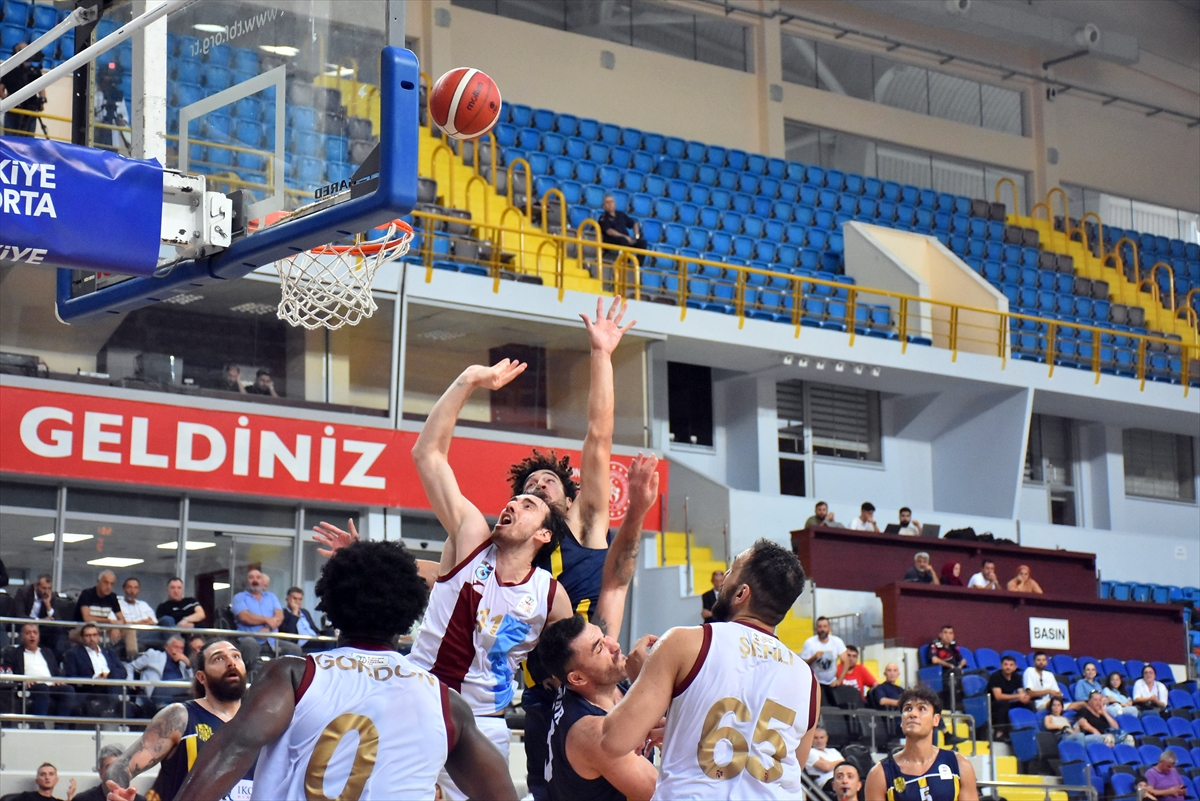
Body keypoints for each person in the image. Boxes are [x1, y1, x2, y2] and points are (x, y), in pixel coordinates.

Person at [166, 538, 519, 801]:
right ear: (408, 614)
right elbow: (500, 795)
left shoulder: (293, 676)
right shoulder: (446, 702)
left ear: (331, 608)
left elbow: (230, 752)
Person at [599, 539, 819, 799]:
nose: (724, 577)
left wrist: (640, 676)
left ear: (741, 594)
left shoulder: (684, 642)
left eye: (731, 571)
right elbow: (782, 769)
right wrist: (684, 725)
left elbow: (613, 740)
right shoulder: (808, 680)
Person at [525, 453, 662, 801]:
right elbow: (663, 792)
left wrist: (637, 509)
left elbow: (617, 584)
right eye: (602, 647)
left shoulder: (594, 673)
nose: (614, 644)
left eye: (548, 481)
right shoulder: (590, 728)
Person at [103, 639, 250, 801]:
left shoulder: (261, 723)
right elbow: (121, 766)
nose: (231, 663)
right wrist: (119, 793)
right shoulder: (180, 716)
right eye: (218, 659)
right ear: (201, 677)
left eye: (236, 656)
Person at [864, 687, 979, 801]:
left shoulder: (959, 765)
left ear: (936, 720)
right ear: (901, 722)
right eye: (908, 709)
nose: (913, 714)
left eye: (922, 708)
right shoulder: (880, 774)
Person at [1, 623, 75, 721]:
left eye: (35, 633)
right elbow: (9, 673)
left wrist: (59, 680)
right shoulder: (14, 653)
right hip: (29, 687)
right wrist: (22, 681)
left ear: (38, 637)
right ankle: (40, 723)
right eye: (28, 633)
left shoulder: (47, 652)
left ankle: (60, 725)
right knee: (42, 688)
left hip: (51, 685)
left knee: (68, 690)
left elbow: (56, 672)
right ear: (22, 636)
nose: (32, 635)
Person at [63, 623, 126, 714]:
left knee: (115, 674)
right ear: (82, 638)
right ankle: (112, 708)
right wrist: (95, 679)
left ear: (99, 636)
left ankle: (112, 706)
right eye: (88, 636)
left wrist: (108, 675)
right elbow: (71, 676)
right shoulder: (73, 654)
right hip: (91, 687)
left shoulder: (109, 652)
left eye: (94, 635)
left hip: (111, 683)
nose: (92, 638)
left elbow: (123, 671)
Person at [128, 635, 193, 705]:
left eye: (181, 648)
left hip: (180, 695)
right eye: (175, 647)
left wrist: (188, 663)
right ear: (167, 647)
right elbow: (130, 666)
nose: (178, 651)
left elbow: (192, 681)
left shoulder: (183, 663)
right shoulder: (154, 655)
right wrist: (130, 681)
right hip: (158, 693)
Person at [0, 43, 47, 137]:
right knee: (10, 138)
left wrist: (41, 102)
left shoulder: (34, 71)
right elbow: (1, 88)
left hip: (30, 109)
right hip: (13, 110)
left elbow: (41, 88)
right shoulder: (9, 70)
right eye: (21, 50)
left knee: (28, 140)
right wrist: (7, 103)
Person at [231, 567, 283, 645]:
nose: (255, 581)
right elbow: (245, 617)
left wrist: (267, 627)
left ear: (262, 581)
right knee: (250, 644)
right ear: (247, 581)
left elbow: (279, 616)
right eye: (251, 578)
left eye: (258, 578)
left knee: (294, 649)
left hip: (272, 640)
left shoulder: (271, 596)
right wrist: (266, 619)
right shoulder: (239, 597)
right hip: (250, 639)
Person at [72, 745, 144, 801]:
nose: (115, 772)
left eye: (120, 767)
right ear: (101, 772)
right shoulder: (82, 799)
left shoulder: (140, 800)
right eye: (110, 767)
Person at [74, 569, 126, 646]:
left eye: (111, 584)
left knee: (130, 631)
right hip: (82, 629)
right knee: (92, 629)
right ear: (98, 582)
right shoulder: (87, 594)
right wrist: (109, 621)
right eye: (106, 583)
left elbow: (122, 620)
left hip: (102, 629)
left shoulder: (113, 597)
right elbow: (87, 618)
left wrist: (116, 627)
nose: (108, 587)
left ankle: (132, 656)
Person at [985, 655, 1032, 739]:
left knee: (1029, 704)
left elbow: (1021, 692)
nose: (1008, 667)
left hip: (1007, 702)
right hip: (991, 704)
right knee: (1004, 704)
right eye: (1005, 664)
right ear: (1001, 666)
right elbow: (998, 696)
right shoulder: (995, 676)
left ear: (1015, 667)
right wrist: (1018, 696)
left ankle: (1026, 731)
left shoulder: (1017, 677)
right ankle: (999, 733)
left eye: (1011, 665)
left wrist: (1024, 698)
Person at [801, 615, 848, 687]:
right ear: (816, 629)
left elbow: (846, 661)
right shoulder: (809, 643)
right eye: (820, 627)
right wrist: (814, 657)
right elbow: (803, 665)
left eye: (825, 626)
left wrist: (839, 680)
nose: (822, 629)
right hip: (816, 683)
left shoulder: (837, 641)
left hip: (832, 683)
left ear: (829, 628)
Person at [118, 578, 158, 653]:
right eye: (129, 587)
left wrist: (150, 622)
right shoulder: (118, 604)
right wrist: (140, 623)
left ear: (139, 590)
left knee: (166, 620)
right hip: (129, 635)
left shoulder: (144, 605)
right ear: (124, 589)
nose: (132, 591)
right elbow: (118, 624)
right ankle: (132, 658)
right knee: (131, 631)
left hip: (148, 634)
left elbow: (155, 623)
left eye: (135, 588)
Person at [10, 763, 75, 801]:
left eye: (51, 774)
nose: (47, 777)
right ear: (37, 781)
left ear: (56, 780)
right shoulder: (26, 797)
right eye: (43, 774)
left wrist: (70, 795)